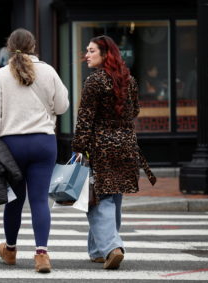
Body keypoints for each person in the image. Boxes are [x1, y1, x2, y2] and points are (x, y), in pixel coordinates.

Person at [0, 28, 69, 273]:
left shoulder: (1, 75)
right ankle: (41, 254)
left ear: (9, 47)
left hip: (12, 146)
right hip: (43, 142)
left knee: (15, 201)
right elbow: (62, 106)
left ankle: (10, 250)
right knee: (40, 200)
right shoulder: (49, 71)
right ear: (33, 46)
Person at [71, 35, 157, 270]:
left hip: (101, 147)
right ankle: (99, 250)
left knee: (99, 200)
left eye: (91, 51)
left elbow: (85, 118)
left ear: (105, 54)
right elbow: (135, 110)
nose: (86, 55)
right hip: (127, 145)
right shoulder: (128, 80)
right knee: (113, 198)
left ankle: (112, 247)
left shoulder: (95, 81)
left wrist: (78, 147)